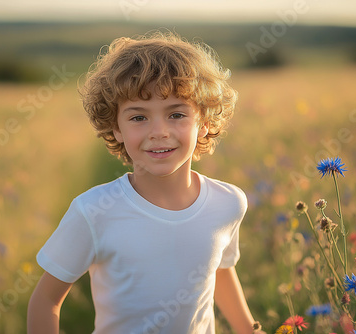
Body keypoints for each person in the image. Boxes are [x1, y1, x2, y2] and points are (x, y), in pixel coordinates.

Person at [27, 31, 256, 334]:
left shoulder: (228, 202)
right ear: (115, 127)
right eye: (138, 118)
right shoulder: (93, 211)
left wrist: (250, 329)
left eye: (176, 114)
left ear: (204, 123)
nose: (159, 131)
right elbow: (46, 300)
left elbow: (220, 270)